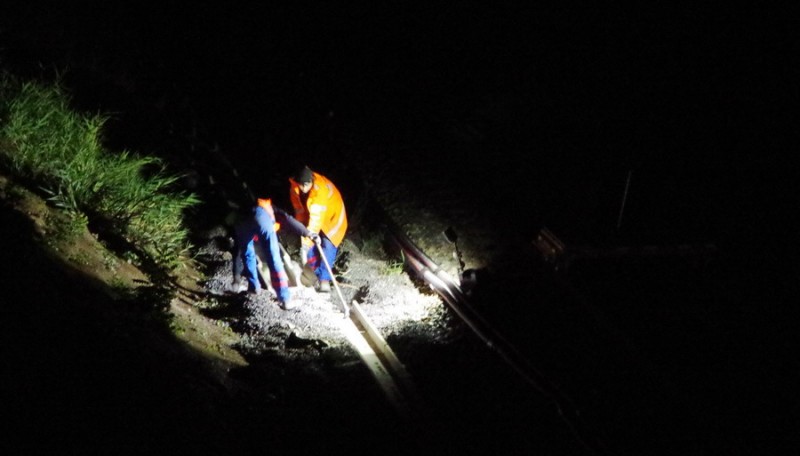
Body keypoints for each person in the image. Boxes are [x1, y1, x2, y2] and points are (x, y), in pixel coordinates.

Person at [289, 165, 348, 292]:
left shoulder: (320, 192)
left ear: (310, 182)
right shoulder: (295, 186)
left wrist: (305, 244)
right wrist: (302, 230)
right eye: (300, 185)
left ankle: (324, 281)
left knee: (328, 245)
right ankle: (313, 272)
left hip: (333, 218)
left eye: (305, 185)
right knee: (308, 240)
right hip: (313, 215)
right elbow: (299, 210)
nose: (302, 188)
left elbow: (316, 222)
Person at [231, 198, 296, 310]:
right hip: (258, 216)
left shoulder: (239, 207)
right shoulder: (268, 208)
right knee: (274, 257)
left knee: (247, 253)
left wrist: (236, 277)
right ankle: (284, 298)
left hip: (241, 220)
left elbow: (237, 250)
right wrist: (307, 233)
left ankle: (253, 288)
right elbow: (287, 220)